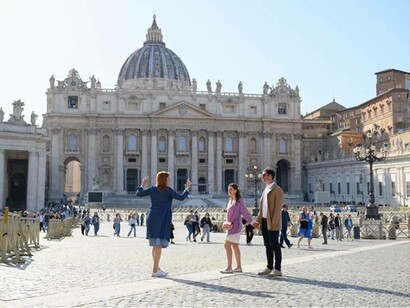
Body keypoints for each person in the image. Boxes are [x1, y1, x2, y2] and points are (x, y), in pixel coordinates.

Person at [136, 171, 191, 278]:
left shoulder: (152, 189)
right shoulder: (168, 191)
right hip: (162, 218)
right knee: (159, 245)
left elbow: (139, 194)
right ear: (164, 180)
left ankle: (157, 268)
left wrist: (142, 185)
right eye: (168, 179)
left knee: (155, 246)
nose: (170, 180)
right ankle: (155, 271)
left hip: (152, 218)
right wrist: (187, 188)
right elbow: (181, 197)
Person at [220, 183, 256, 274]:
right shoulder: (230, 200)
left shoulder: (239, 201)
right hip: (230, 226)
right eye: (228, 189)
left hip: (235, 226)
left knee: (227, 245)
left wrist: (251, 221)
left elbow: (245, 212)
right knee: (235, 246)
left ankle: (229, 267)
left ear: (235, 190)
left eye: (231, 189)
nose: (229, 191)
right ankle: (239, 267)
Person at [256, 168, 284, 277]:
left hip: (272, 221)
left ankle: (277, 269)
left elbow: (278, 208)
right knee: (267, 245)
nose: (262, 177)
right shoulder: (265, 189)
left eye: (264, 175)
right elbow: (262, 208)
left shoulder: (277, 190)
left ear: (270, 176)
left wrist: (274, 221)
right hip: (264, 220)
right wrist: (257, 220)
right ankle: (269, 266)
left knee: (275, 245)